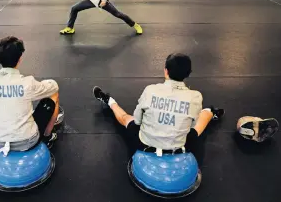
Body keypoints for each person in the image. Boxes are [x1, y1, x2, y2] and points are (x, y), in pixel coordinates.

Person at [93, 53, 224, 157]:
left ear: (166, 71)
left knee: (126, 118)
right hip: (180, 147)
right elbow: (192, 127)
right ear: (188, 74)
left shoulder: (150, 90)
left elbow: (138, 120)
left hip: (145, 144)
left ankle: (109, 101)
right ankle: (212, 111)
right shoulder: (196, 96)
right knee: (202, 119)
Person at [0, 36, 61, 152]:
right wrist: (46, 83)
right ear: (19, 59)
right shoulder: (27, 83)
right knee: (54, 95)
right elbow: (54, 87)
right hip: (27, 141)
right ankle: (48, 137)